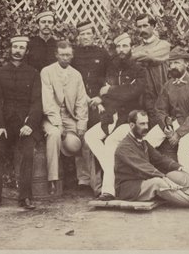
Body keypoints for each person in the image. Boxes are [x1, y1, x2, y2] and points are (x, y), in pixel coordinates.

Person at [114, 110, 189, 212]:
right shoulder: (124, 147)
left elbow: (160, 159)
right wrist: (165, 178)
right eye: (142, 124)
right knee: (159, 183)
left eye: (147, 123)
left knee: (180, 176)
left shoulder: (143, 143)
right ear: (132, 125)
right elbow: (143, 167)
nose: (146, 127)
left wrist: (180, 168)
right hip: (129, 188)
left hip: (145, 180)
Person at [85, 33, 145, 201]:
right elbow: (110, 91)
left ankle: (109, 190)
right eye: (118, 46)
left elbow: (132, 93)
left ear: (131, 47)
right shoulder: (112, 68)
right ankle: (116, 172)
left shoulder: (138, 70)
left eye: (125, 46)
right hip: (111, 116)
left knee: (111, 142)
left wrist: (111, 91)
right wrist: (103, 97)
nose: (121, 50)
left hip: (129, 119)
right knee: (90, 136)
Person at [0, 36, 43, 211]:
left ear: (26, 51)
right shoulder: (0, 72)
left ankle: (25, 197)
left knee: (27, 153)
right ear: (11, 49)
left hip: (25, 125)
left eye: (22, 48)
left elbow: (37, 102)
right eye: (15, 47)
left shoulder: (33, 73)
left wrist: (30, 124)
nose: (18, 50)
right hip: (5, 125)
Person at [145, 46, 189, 178]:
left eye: (177, 63)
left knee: (183, 149)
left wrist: (178, 134)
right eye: (171, 63)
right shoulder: (168, 85)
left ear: (186, 63)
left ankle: (188, 184)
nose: (173, 66)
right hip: (172, 123)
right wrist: (165, 126)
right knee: (146, 142)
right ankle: (152, 176)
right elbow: (160, 109)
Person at [41, 41, 89, 193]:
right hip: (51, 116)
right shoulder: (47, 72)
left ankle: (84, 180)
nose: (65, 58)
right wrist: (57, 123)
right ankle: (53, 180)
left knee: (83, 140)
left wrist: (81, 124)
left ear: (72, 56)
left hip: (70, 117)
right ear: (56, 55)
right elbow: (47, 101)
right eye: (62, 55)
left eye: (68, 55)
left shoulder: (76, 75)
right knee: (54, 134)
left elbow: (81, 101)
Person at [71, 20, 111, 193]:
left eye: (88, 34)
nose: (85, 37)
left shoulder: (102, 54)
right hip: (79, 101)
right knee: (79, 139)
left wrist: (100, 98)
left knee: (93, 139)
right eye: (82, 34)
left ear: (94, 35)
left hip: (97, 103)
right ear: (77, 37)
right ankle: (83, 179)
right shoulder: (74, 55)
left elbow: (109, 79)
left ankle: (98, 181)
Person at [131, 14, 170, 128]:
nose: (142, 30)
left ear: (153, 26)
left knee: (163, 127)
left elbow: (151, 56)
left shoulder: (164, 45)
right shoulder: (137, 48)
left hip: (160, 95)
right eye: (139, 27)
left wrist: (135, 55)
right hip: (143, 97)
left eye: (145, 26)